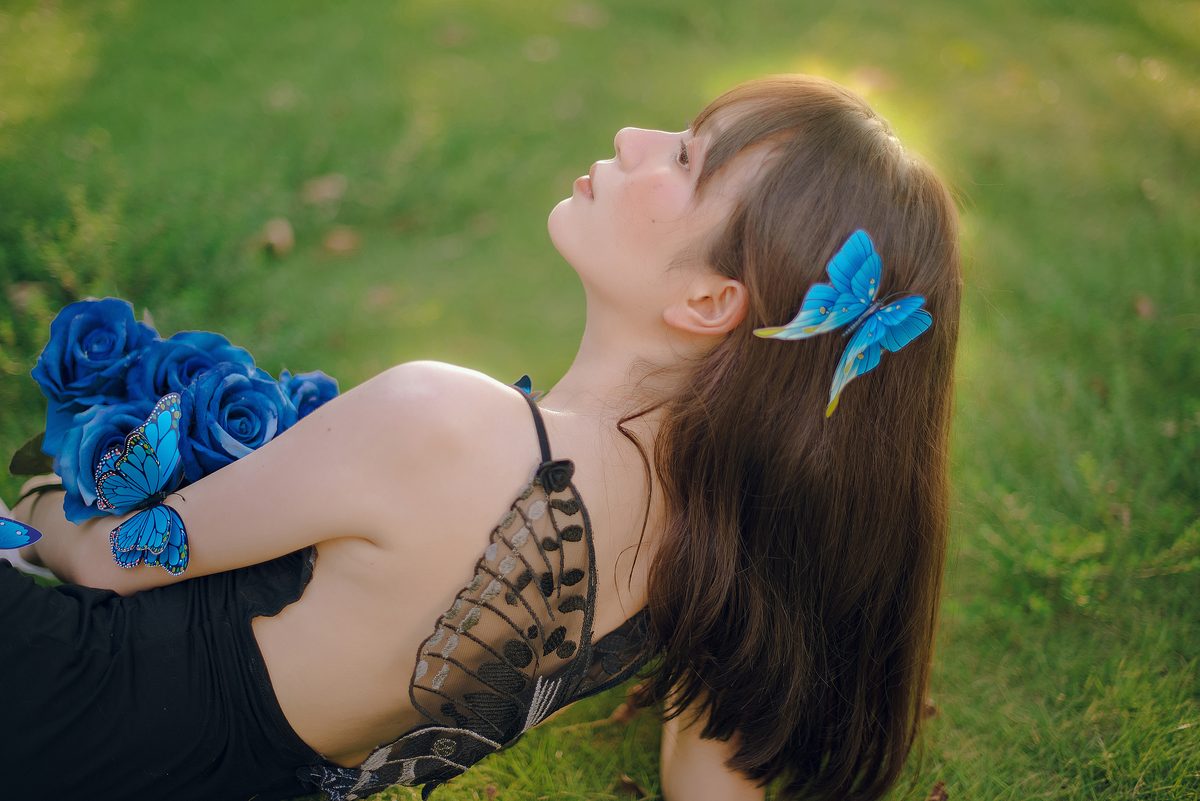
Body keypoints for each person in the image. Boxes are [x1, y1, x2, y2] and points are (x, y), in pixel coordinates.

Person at [1, 73, 961, 801]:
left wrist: (42, 485)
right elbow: (714, 771)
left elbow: (107, 560)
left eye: (685, 159)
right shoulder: (713, 547)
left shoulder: (440, 421)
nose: (633, 139)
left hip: (60, 702)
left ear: (711, 301)